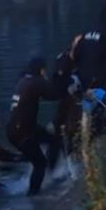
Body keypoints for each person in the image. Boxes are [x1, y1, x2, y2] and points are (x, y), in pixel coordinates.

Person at [7, 57, 63, 195]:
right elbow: (55, 94)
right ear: (41, 69)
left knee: (54, 140)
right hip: (23, 133)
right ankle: (33, 195)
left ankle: (51, 173)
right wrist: (60, 76)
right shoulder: (36, 82)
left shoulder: (24, 80)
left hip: (19, 128)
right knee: (39, 164)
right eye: (44, 69)